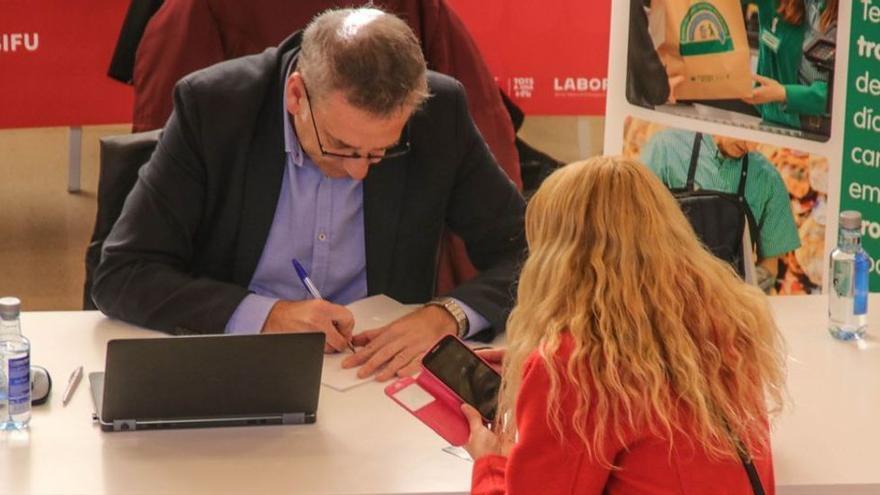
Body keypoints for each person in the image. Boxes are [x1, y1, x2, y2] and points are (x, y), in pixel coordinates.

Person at [92, 7, 526, 381]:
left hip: (377, 377)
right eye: (342, 146)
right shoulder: (215, 109)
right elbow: (124, 273)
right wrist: (266, 315)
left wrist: (447, 314)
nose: (358, 171)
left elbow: (533, 254)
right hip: (239, 369)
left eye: (382, 151)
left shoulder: (439, 113)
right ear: (296, 95)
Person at [460, 156, 785, 494]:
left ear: (557, 261)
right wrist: (529, 365)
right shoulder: (729, 320)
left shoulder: (572, 368)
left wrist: (490, 463)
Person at [640, 129, 800, 282]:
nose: (751, 147)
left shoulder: (768, 179)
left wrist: (740, 294)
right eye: (745, 133)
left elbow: (770, 267)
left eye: (756, 138)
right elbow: (636, 234)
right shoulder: (665, 148)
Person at [743, 0, 838, 134]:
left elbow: (839, 96)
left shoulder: (847, 16)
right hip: (770, 121)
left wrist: (783, 93)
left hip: (815, 134)